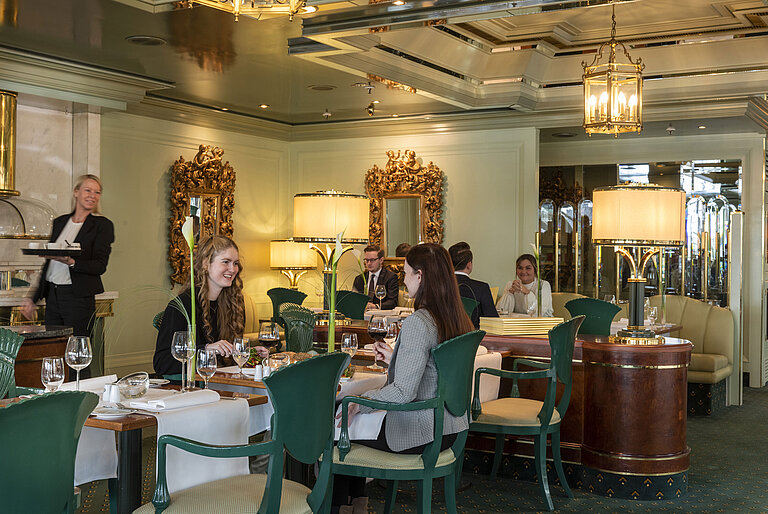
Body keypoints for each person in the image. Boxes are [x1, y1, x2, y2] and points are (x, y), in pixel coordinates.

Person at [333, 243, 474, 513]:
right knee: (350, 416)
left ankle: (340, 507)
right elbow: (435, 369)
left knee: (339, 418)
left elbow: (402, 394)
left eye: (407, 274)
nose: (404, 281)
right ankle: (356, 505)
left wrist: (358, 401)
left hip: (418, 433)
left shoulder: (419, 322)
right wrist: (395, 359)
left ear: (420, 276)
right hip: (450, 428)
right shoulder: (457, 317)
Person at [21, 174, 114, 378]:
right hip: (53, 297)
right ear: (76, 192)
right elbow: (49, 264)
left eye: (97, 192)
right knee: (54, 352)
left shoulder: (102, 226)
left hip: (78, 298)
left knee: (77, 355)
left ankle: (80, 402)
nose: (93, 196)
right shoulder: (60, 222)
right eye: (88, 190)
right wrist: (33, 298)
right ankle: (58, 399)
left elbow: (100, 265)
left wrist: (71, 261)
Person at [153, 235, 268, 376]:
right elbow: (162, 363)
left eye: (236, 263)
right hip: (191, 391)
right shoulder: (181, 306)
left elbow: (225, 359)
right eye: (226, 262)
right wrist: (206, 349)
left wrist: (248, 354)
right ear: (205, 264)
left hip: (222, 386)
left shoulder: (234, 304)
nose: (232, 269)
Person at [448, 241, 499, 329]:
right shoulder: (482, 288)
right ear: (469, 265)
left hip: (445, 340)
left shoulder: (439, 287)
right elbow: (493, 322)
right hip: (474, 340)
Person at [352, 244, 399, 310]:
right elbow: (354, 300)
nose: (369, 263)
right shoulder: (359, 279)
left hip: (380, 316)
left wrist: (376, 306)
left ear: (381, 260)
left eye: (372, 260)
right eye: (366, 260)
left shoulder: (390, 277)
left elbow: (392, 302)